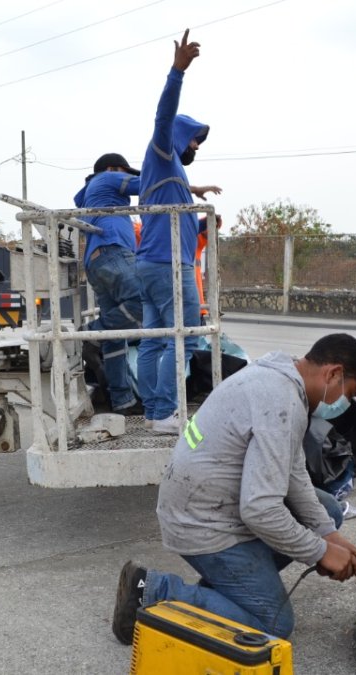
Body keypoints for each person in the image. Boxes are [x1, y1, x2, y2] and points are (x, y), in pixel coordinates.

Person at [111, 333, 356, 644]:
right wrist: (319, 551)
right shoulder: (281, 403)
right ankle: (154, 591)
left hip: (209, 503)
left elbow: (293, 472)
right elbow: (260, 509)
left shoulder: (280, 377)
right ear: (333, 374)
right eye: (348, 393)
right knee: (272, 625)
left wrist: (328, 534)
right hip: (202, 523)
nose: (342, 404)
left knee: (326, 510)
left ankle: (227, 589)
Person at [135, 29, 221, 435]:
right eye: (195, 140)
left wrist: (198, 203)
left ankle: (154, 412)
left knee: (153, 340)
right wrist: (177, 72)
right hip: (168, 266)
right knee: (181, 336)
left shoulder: (172, 173)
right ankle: (168, 411)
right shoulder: (162, 151)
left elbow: (177, 213)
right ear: (179, 138)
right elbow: (163, 117)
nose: (197, 146)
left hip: (150, 264)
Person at [74, 153, 144, 415]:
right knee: (142, 301)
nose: (127, 177)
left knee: (115, 338)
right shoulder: (108, 177)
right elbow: (149, 185)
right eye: (125, 172)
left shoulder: (91, 193)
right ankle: (92, 334)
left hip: (97, 260)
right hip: (113, 251)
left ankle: (123, 401)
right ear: (113, 169)